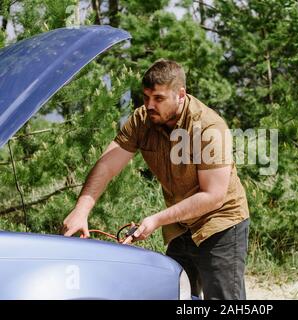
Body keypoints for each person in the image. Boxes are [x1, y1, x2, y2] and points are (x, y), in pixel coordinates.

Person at [62, 59, 250, 300]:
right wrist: (81, 210)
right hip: (181, 225)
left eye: (158, 98)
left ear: (180, 94)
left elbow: (212, 195)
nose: (150, 105)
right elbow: (108, 165)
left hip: (221, 223)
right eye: (146, 97)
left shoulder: (208, 127)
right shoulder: (142, 120)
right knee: (174, 294)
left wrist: (157, 220)